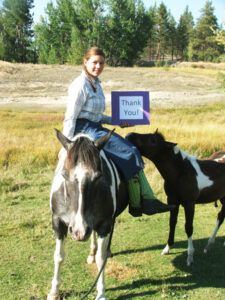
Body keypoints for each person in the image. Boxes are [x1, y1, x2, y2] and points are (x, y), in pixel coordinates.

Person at [62, 46, 174, 217]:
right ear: (85, 62)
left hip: (94, 126)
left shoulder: (96, 84)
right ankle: (141, 202)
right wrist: (68, 146)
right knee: (130, 151)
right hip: (83, 129)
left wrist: (118, 121)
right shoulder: (80, 85)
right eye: (94, 63)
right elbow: (70, 117)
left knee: (130, 149)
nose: (98, 66)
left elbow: (97, 116)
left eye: (101, 63)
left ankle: (146, 199)